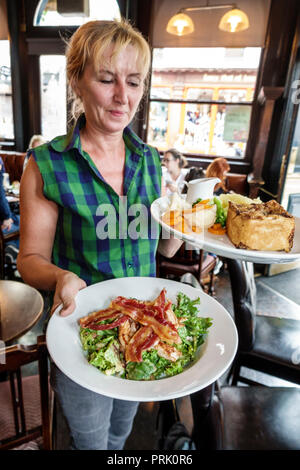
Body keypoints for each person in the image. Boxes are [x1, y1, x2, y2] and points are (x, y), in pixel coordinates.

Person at [17, 19, 182, 451]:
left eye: (134, 82)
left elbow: (163, 243)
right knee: (91, 441)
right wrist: (59, 278)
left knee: (121, 433)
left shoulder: (149, 160)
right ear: (77, 80)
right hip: (82, 336)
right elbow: (29, 258)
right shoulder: (46, 165)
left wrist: (183, 229)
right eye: (107, 79)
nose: (122, 97)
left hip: (144, 328)